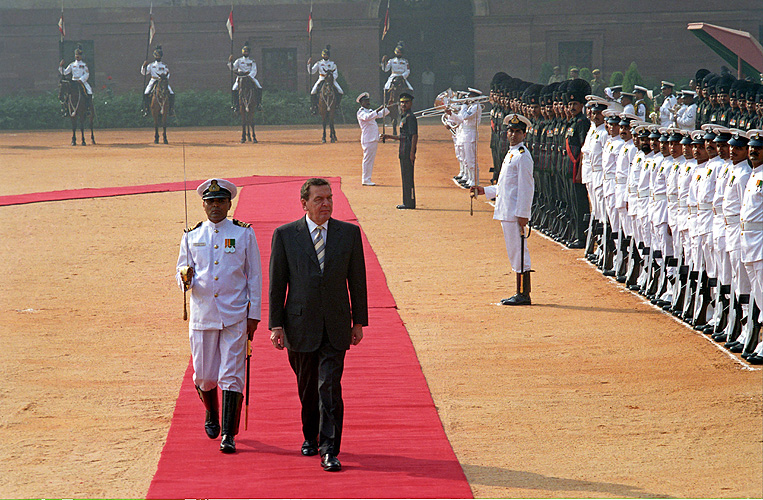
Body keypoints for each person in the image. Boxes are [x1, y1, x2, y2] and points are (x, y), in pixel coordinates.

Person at [268, 177, 368, 472]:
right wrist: (276, 325)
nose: (326, 204)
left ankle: (329, 448)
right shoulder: (286, 235)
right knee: (308, 387)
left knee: (329, 387)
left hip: (336, 325)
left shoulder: (349, 234)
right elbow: (277, 284)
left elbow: (357, 280)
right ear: (304, 204)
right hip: (299, 325)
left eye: (329, 198)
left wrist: (358, 321)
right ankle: (309, 436)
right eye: (318, 200)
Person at [176, 178, 262, 454]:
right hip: (203, 314)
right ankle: (211, 411)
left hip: (235, 313)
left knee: (232, 374)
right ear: (203, 205)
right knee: (204, 375)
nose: (216, 206)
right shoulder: (192, 236)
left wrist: (254, 314)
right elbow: (181, 272)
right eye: (211, 202)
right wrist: (184, 278)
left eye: (221, 201)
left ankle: (229, 433)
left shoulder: (243, 234)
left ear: (229, 204)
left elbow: (255, 277)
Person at [471, 113, 535, 305]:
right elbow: (505, 186)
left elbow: (526, 187)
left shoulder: (523, 156)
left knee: (519, 252)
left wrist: (523, 214)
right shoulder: (511, 154)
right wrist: (485, 191)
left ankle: (523, 293)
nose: (513, 135)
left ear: (524, 135)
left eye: (517, 132)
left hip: (515, 212)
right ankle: (519, 291)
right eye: (511, 131)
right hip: (506, 209)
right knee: (514, 251)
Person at [382, 93, 418, 209]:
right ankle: (406, 202)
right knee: (404, 177)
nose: (403, 104)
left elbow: (414, 136)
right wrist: (389, 136)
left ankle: (410, 202)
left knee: (408, 178)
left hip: (408, 150)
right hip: (402, 150)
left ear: (411, 103)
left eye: (406, 102)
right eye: (402, 102)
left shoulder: (410, 117)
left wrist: (412, 153)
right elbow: (403, 135)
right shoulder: (403, 117)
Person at [445, 87, 483, 188]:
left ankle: (474, 181)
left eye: (470, 96)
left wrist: (464, 106)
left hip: (471, 133)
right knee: (466, 158)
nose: (467, 98)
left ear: (475, 97)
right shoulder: (471, 106)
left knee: (471, 159)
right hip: (465, 133)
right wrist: (451, 114)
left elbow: (465, 116)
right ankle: (469, 179)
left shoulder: (476, 107)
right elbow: (460, 119)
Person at [356, 92, 390, 186]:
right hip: (367, 139)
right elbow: (368, 117)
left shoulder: (370, 110)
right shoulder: (361, 112)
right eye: (365, 101)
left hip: (373, 138)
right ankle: (366, 179)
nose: (367, 102)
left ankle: (367, 178)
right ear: (361, 103)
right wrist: (380, 107)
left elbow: (380, 114)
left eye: (368, 101)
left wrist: (388, 107)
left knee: (370, 160)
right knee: (367, 159)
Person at [228, 41, 263, 113]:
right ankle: (236, 105)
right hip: (240, 77)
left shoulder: (252, 61)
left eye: (247, 52)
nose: (245, 53)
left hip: (249, 77)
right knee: (234, 88)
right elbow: (233, 68)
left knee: (259, 86)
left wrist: (250, 76)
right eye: (244, 51)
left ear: (249, 52)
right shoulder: (239, 60)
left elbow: (254, 70)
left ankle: (259, 104)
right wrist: (230, 62)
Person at [308, 45, 343, 115]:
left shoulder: (332, 64)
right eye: (324, 55)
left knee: (340, 91)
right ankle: (314, 107)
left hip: (331, 80)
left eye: (326, 55)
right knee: (313, 92)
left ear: (328, 55)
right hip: (321, 79)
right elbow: (311, 72)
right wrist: (309, 65)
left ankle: (337, 106)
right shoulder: (319, 63)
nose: (325, 56)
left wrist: (331, 79)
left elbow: (335, 74)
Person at [141, 45, 175, 117]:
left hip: (162, 81)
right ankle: (146, 109)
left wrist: (164, 78)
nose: (158, 57)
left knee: (171, 93)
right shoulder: (151, 65)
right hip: (153, 80)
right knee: (146, 93)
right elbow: (144, 73)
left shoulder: (164, 66)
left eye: (159, 56)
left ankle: (171, 110)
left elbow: (168, 74)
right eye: (157, 56)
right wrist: (144, 66)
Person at [59, 44, 93, 114]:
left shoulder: (84, 65)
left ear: (81, 56)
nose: (77, 56)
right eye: (76, 55)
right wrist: (61, 66)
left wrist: (81, 80)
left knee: (88, 91)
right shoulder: (72, 65)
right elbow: (65, 72)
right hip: (73, 82)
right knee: (67, 93)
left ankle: (88, 108)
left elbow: (87, 74)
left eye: (79, 55)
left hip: (81, 82)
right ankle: (66, 109)